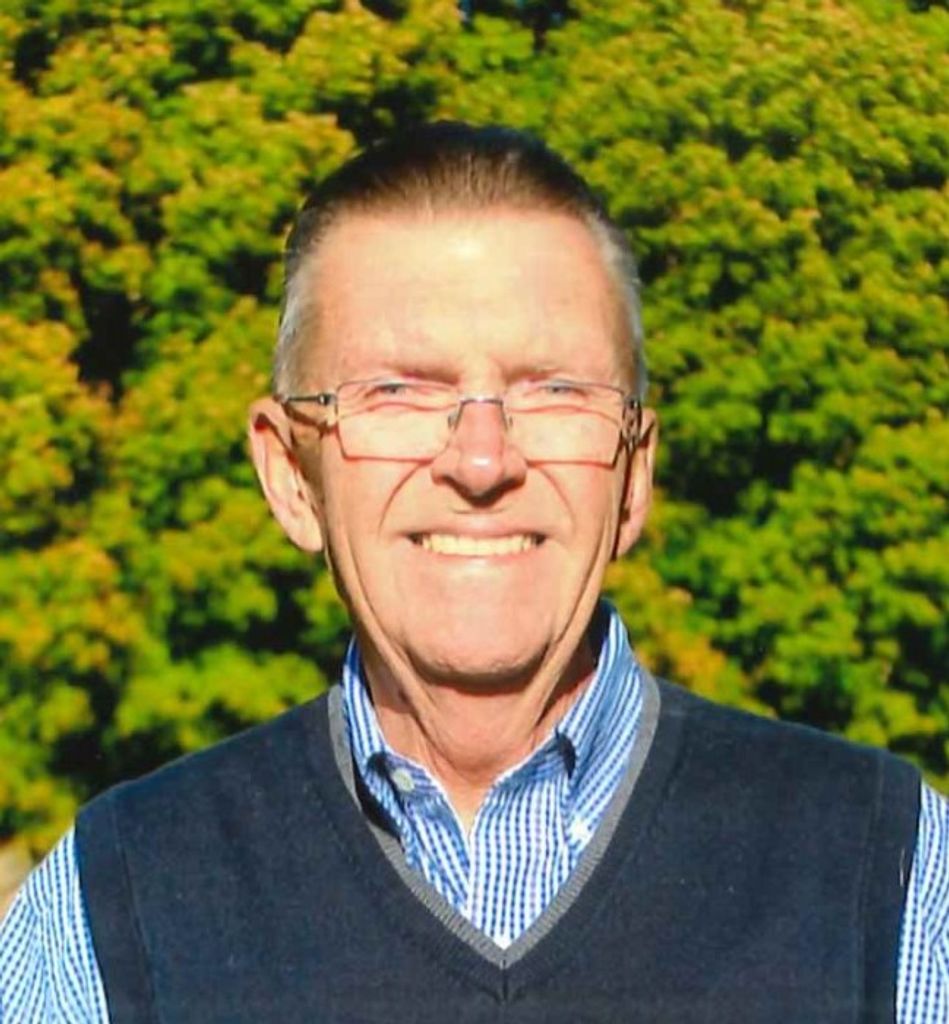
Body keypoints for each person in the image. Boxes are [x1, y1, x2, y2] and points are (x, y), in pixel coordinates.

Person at [1, 123, 946, 1023]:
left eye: (554, 390)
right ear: (290, 475)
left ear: (633, 475)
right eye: (399, 391)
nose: (482, 460)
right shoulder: (110, 917)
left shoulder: (890, 881)